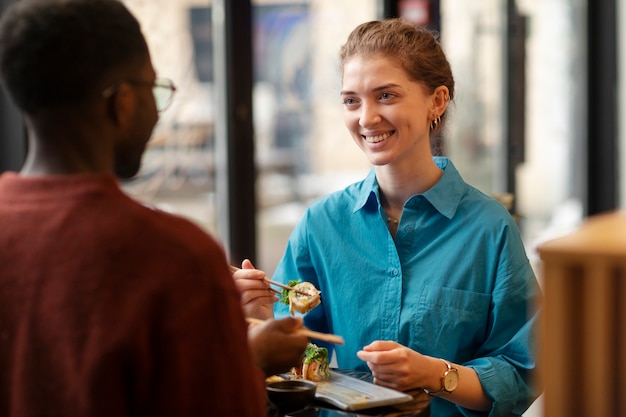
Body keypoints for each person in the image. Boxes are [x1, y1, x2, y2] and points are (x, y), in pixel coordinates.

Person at [0, 0, 309, 416]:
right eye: (155, 89)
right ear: (122, 102)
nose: (156, 111)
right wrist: (249, 361)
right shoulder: (174, 256)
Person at [235, 19, 542, 417]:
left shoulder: (490, 228)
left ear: (437, 100)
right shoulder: (320, 225)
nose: (366, 118)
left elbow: (522, 372)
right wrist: (261, 322)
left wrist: (433, 373)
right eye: (351, 100)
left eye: (385, 95)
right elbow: (297, 368)